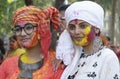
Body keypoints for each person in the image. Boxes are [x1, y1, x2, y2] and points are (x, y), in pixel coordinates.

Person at [58, 1, 120, 79]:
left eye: (83, 26)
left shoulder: (107, 57)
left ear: (96, 29)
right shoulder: (74, 58)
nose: (76, 32)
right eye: (72, 27)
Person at [0, 6, 64, 79]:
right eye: (18, 29)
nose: (22, 33)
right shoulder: (8, 64)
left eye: (28, 28)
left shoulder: (55, 65)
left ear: (41, 29)